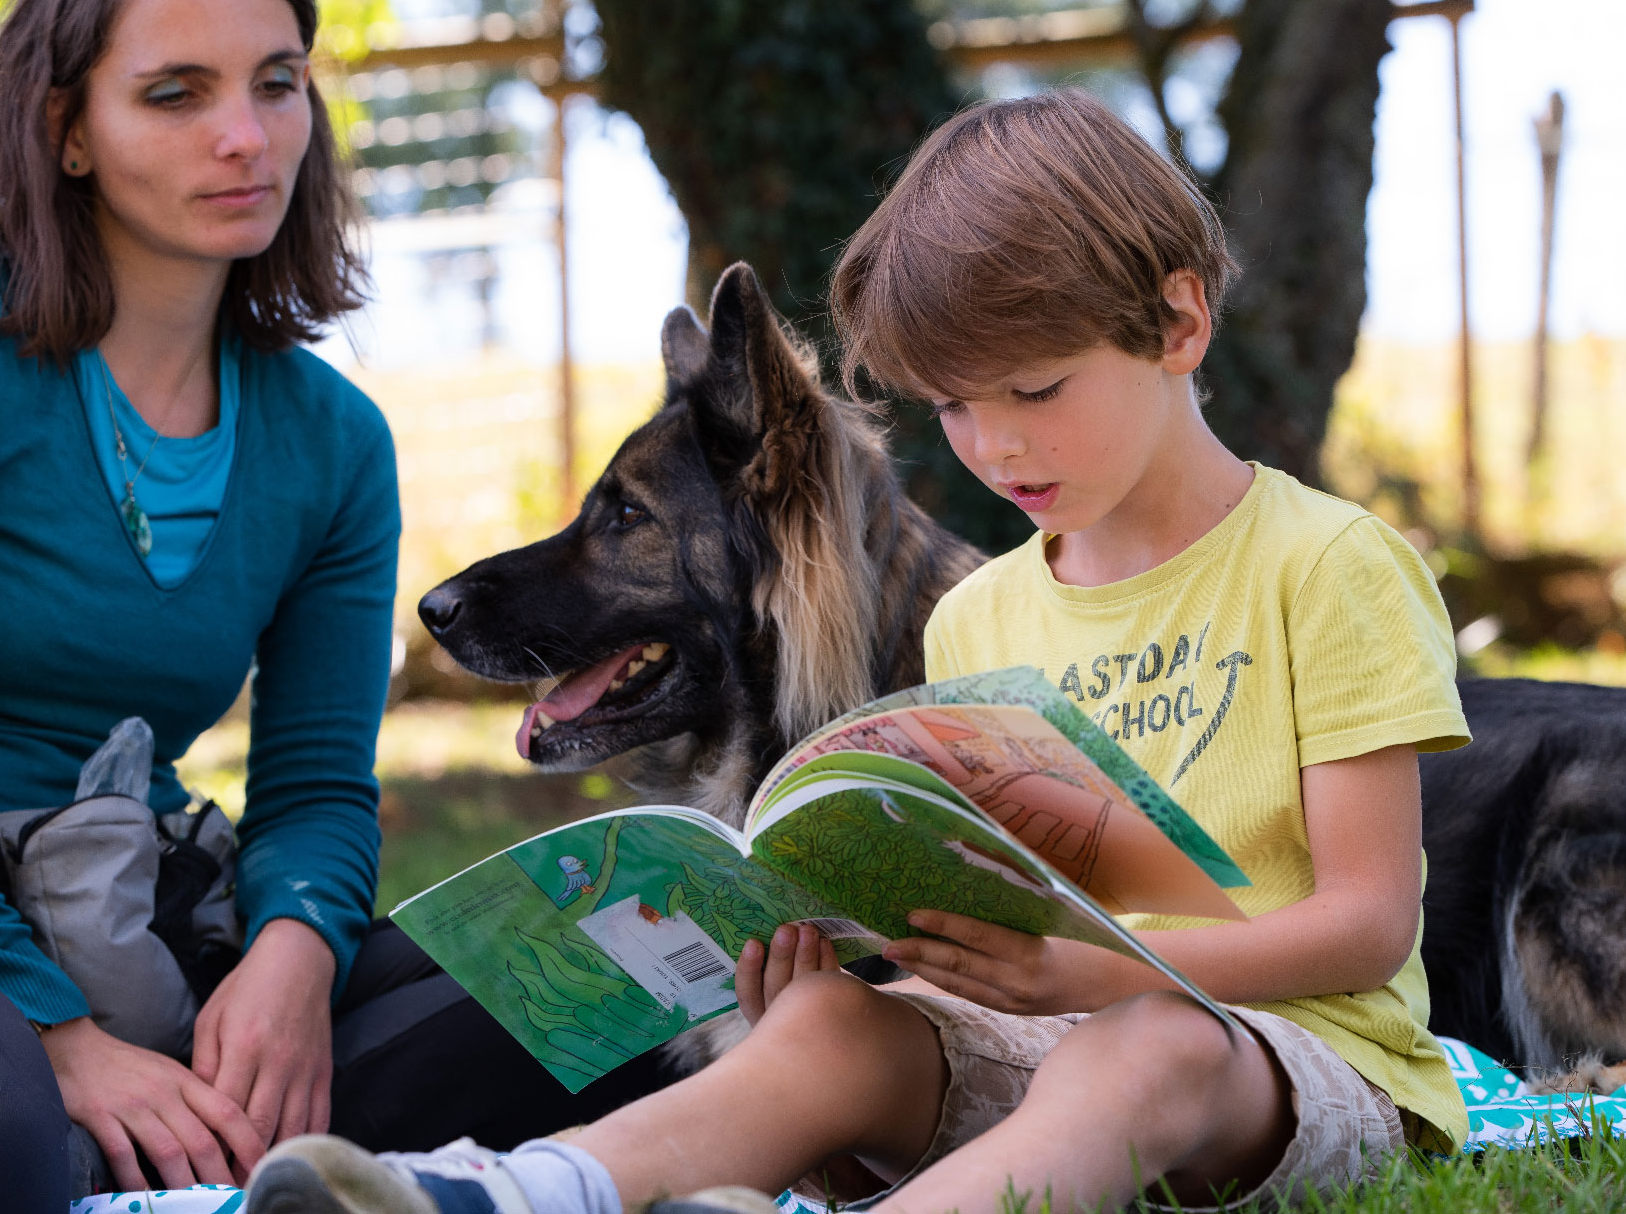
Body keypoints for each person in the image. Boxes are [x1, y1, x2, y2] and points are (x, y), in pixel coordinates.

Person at [244, 89, 1473, 1214]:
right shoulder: (980, 615)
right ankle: (505, 1198)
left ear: (1177, 320)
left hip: (1304, 1065)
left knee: (1140, 1043)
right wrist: (862, 980)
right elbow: (1005, 918)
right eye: (950, 404)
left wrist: (1084, 979)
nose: (991, 447)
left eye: (1034, 390)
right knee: (828, 1024)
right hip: (1053, 1057)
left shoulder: (1326, 565)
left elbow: (1364, 928)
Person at [0, 0, 673, 1209]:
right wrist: (58, 1036)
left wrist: (292, 950)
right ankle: (25, 1123)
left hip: (118, 913)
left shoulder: (331, 439)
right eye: (174, 92)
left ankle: (136, 1144)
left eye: (277, 83)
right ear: (66, 128)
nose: (245, 136)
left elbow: (316, 787)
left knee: (613, 977)